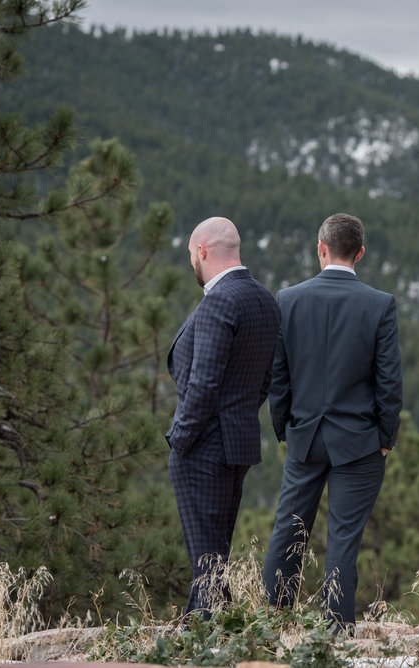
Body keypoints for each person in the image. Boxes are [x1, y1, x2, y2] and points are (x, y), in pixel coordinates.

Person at [264, 212, 402, 633]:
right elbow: (389, 382)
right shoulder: (379, 304)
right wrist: (385, 437)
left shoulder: (287, 300)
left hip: (304, 437)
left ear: (320, 249)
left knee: (289, 530)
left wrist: (285, 428)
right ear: (360, 253)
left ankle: (272, 622)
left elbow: (278, 376)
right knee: (343, 538)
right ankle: (336, 633)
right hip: (359, 442)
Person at [166, 216, 281, 618]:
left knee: (207, 557)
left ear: (201, 251)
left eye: (190, 256)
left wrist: (181, 438)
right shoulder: (264, 299)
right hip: (239, 443)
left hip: (204, 445)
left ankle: (206, 632)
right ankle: (207, 628)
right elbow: (266, 379)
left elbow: (203, 382)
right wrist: (240, 414)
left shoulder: (219, 301)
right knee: (213, 553)